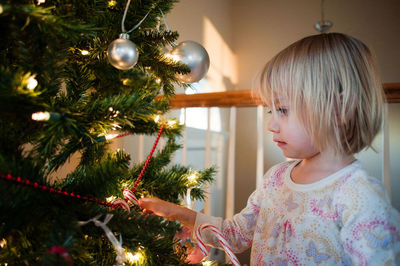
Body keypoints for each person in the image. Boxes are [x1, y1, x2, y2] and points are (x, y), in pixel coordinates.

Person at [139, 33, 400, 265]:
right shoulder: (276, 179)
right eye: (270, 110)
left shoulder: (359, 195)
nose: (271, 125)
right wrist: (179, 213)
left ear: (338, 111)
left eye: (283, 110)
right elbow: (236, 234)